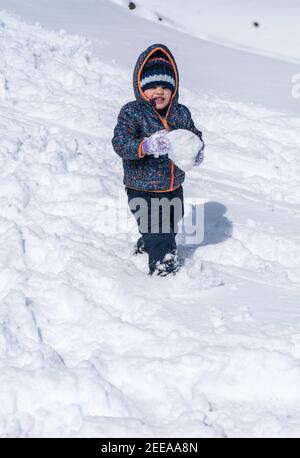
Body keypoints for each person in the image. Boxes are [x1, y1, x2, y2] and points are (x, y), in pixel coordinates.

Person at [112, 43, 204, 276]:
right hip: (141, 187)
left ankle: (149, 243)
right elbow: (120, 143)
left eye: (165, 86)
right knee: (159, 229)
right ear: (141, 89)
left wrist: (197, 149)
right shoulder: (132, 112)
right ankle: (164, 271)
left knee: (171, 224)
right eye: (152, 86)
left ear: (174, 89)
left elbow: (192, 135)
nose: (159, 92)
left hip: (173, 185)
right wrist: (145, 145)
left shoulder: (181, 113)